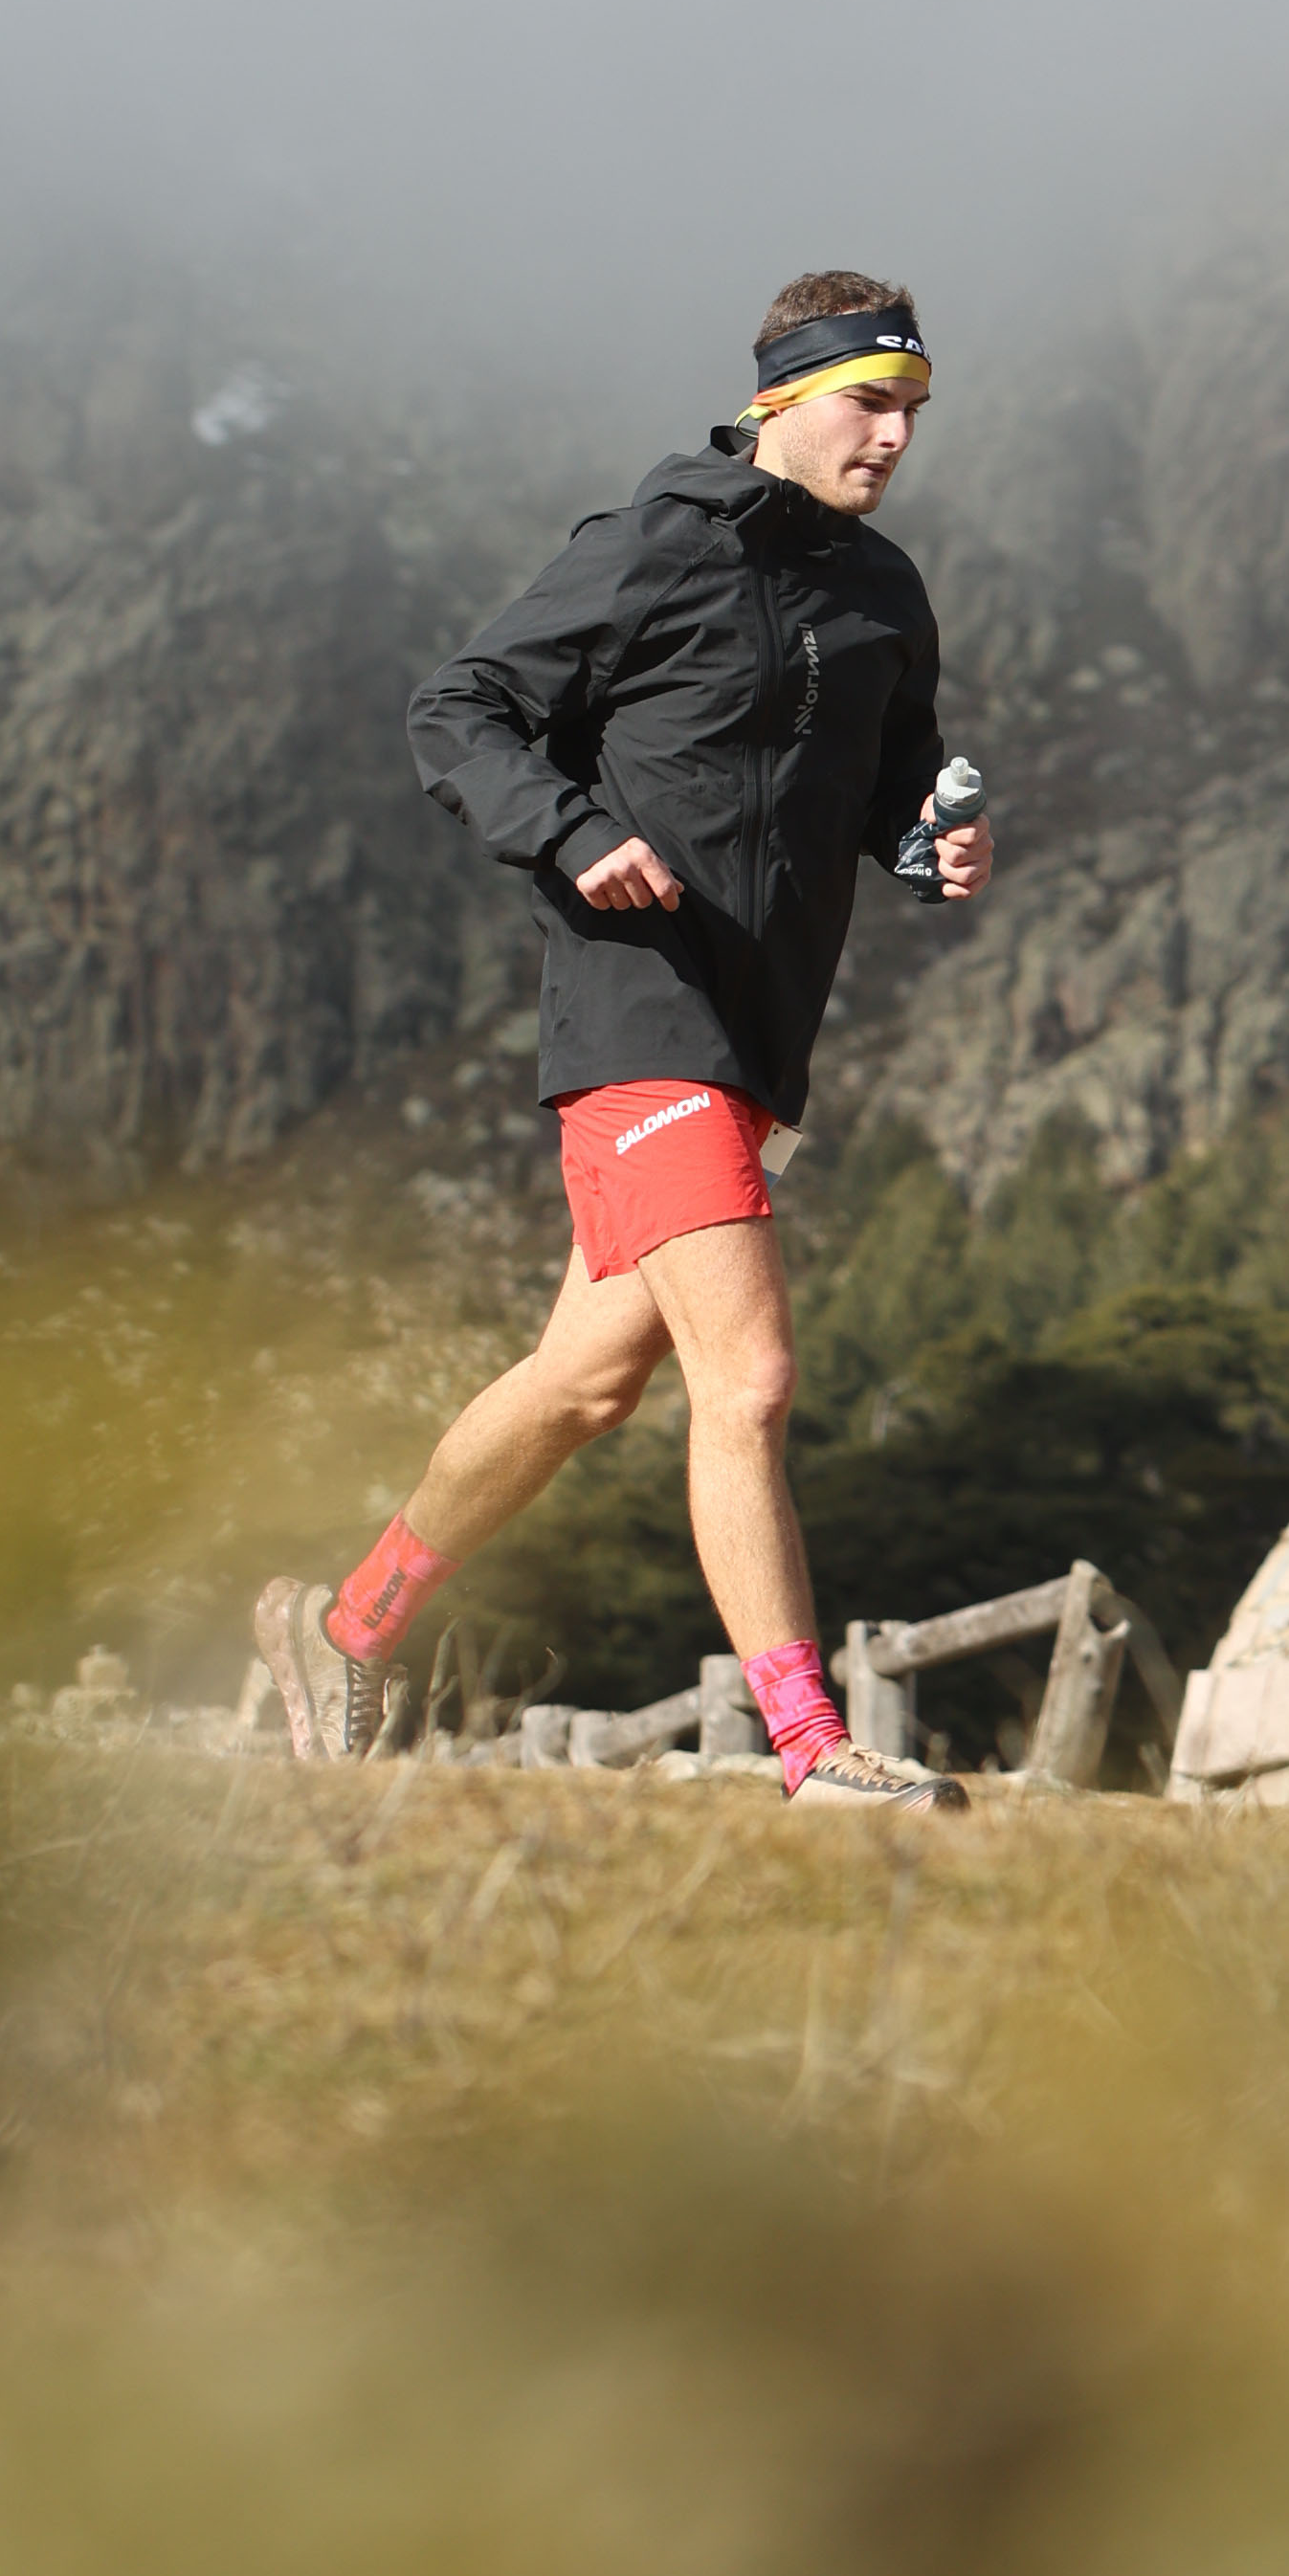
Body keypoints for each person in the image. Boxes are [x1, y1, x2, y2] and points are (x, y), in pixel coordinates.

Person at [255, 273, 994, 1801]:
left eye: (914, 412)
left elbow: (889, 792)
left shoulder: (884, 598)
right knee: (753, 1380)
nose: (895, 441)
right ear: (784, 398)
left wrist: (932, 847)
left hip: (761, 1034)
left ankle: (346, 1629)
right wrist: (574, 828)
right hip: (639, 1015)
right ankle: (814, 1751)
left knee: (584, 1386)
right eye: (869, 404)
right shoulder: (656, 546)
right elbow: (459, 710)